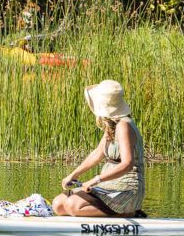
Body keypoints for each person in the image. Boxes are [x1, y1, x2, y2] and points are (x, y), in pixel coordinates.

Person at [53, 79, 146, 217]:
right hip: (108, 184)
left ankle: (129, 212)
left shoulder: (124, 126)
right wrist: (74, 174)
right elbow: (98, 153)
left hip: (126, 188)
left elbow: (127, 164)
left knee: (72, 205)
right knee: (58, 204)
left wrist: (96, 180)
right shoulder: (112, 125)